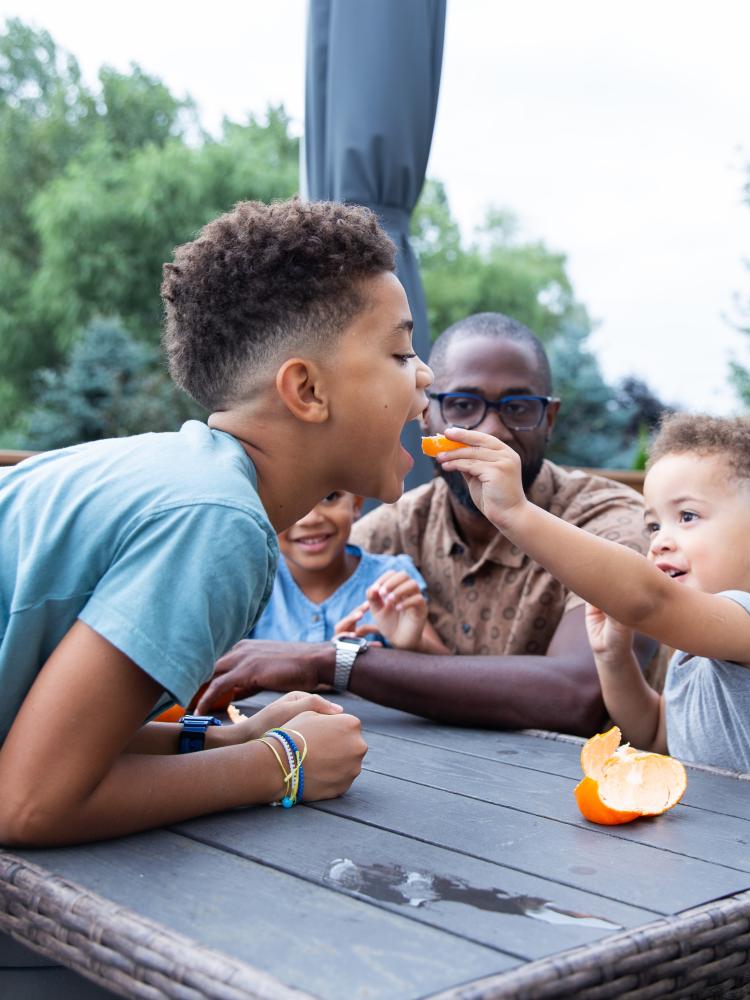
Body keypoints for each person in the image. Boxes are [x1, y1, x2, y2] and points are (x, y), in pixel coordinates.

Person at [0, 198, 431, 846]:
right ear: (307, 391)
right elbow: (30, 802)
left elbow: (34, 732)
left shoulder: (188, 477)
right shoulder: (218, 522)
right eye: (400, 354)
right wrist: (282, 765)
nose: (426, 377)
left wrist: (223, 738)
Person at [430, 412, 750, 999]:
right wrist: (614, 658)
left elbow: (647, 599)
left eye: (687, 517)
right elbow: (654, 731)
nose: (660, 539)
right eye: (653, 524)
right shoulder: (702, 652)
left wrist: (517, 512)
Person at [197, 314, 659, 735]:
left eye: (518, 407)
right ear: (426, 415)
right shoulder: (390, 529)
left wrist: (334, 662)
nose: (491, 430)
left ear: (549, 418)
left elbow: (579, 692)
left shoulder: (607, 522)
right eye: (462, 404)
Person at [252, 489, 448, 653]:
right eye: (286, 500)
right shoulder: (252, 581)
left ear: (356, 503)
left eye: (329, 497)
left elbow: (447, 677)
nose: (310, 519)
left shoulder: (390, 579)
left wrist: (413, 644)